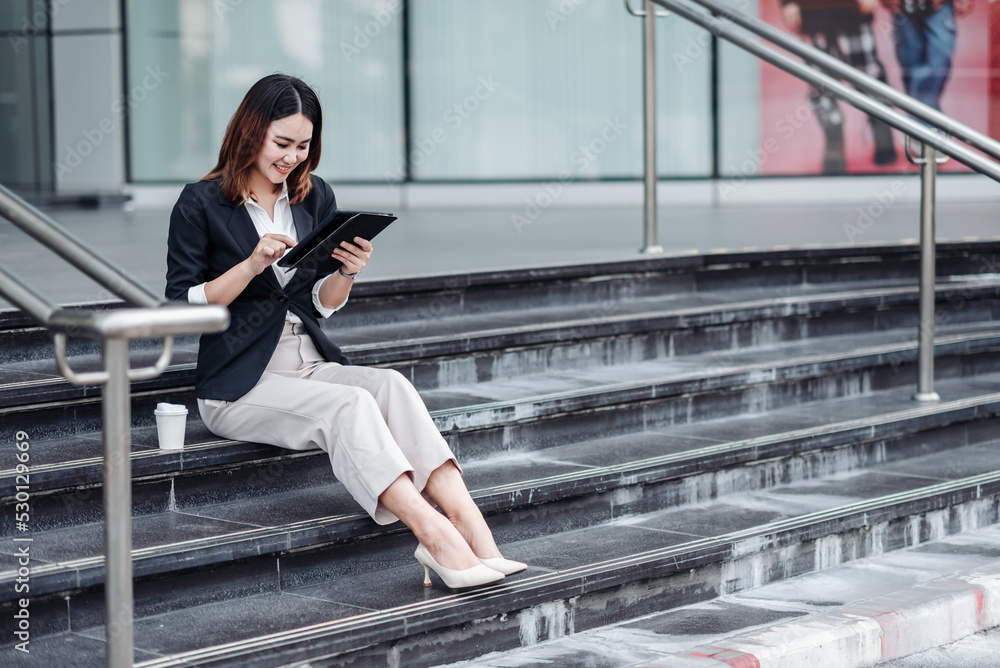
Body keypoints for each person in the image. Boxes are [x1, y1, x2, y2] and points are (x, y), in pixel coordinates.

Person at [165, 74, 525, 589]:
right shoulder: (201, 203)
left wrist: (347, 273)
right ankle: (435, 536)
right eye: (281, 143)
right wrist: (249, 265)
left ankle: (473, 527)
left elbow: (319, 303)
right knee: (352, 405)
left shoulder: (313, 197)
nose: (291, 157)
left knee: (393, 387)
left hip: (306, 363)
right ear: (250, 133)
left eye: (303, 145)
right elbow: (181, 304)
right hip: (239, 382)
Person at [780, 0, 899, 172]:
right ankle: (834, 139)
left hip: (853, 12)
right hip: (812, 16)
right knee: (819, 84)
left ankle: (882, 129)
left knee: (869, 78)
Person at [882, 0, 972, 111]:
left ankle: (922, 120)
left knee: (938, 62)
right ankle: (926, 120)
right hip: (903, 7)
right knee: (911, 66)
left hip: (939, 6)